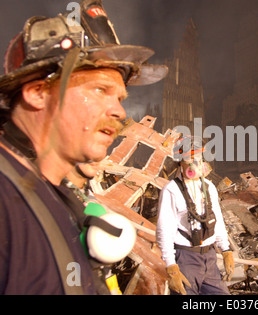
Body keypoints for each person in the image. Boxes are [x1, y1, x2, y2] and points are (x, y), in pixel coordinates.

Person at [0, 0, 167, 295]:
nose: (120, 113)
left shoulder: (58, 197)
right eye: (99, 90)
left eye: (120, 98)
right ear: (38, 93)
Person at [156, 136, 235, 295]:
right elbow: (164, 230)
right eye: (189, 158)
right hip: (186, 259)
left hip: (210, 257)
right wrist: (171, 266)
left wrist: (226, 250)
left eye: (198, 158)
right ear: (180, 161)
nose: (195, 163)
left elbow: (216, 219)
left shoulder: (209, 187)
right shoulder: (171, 190)